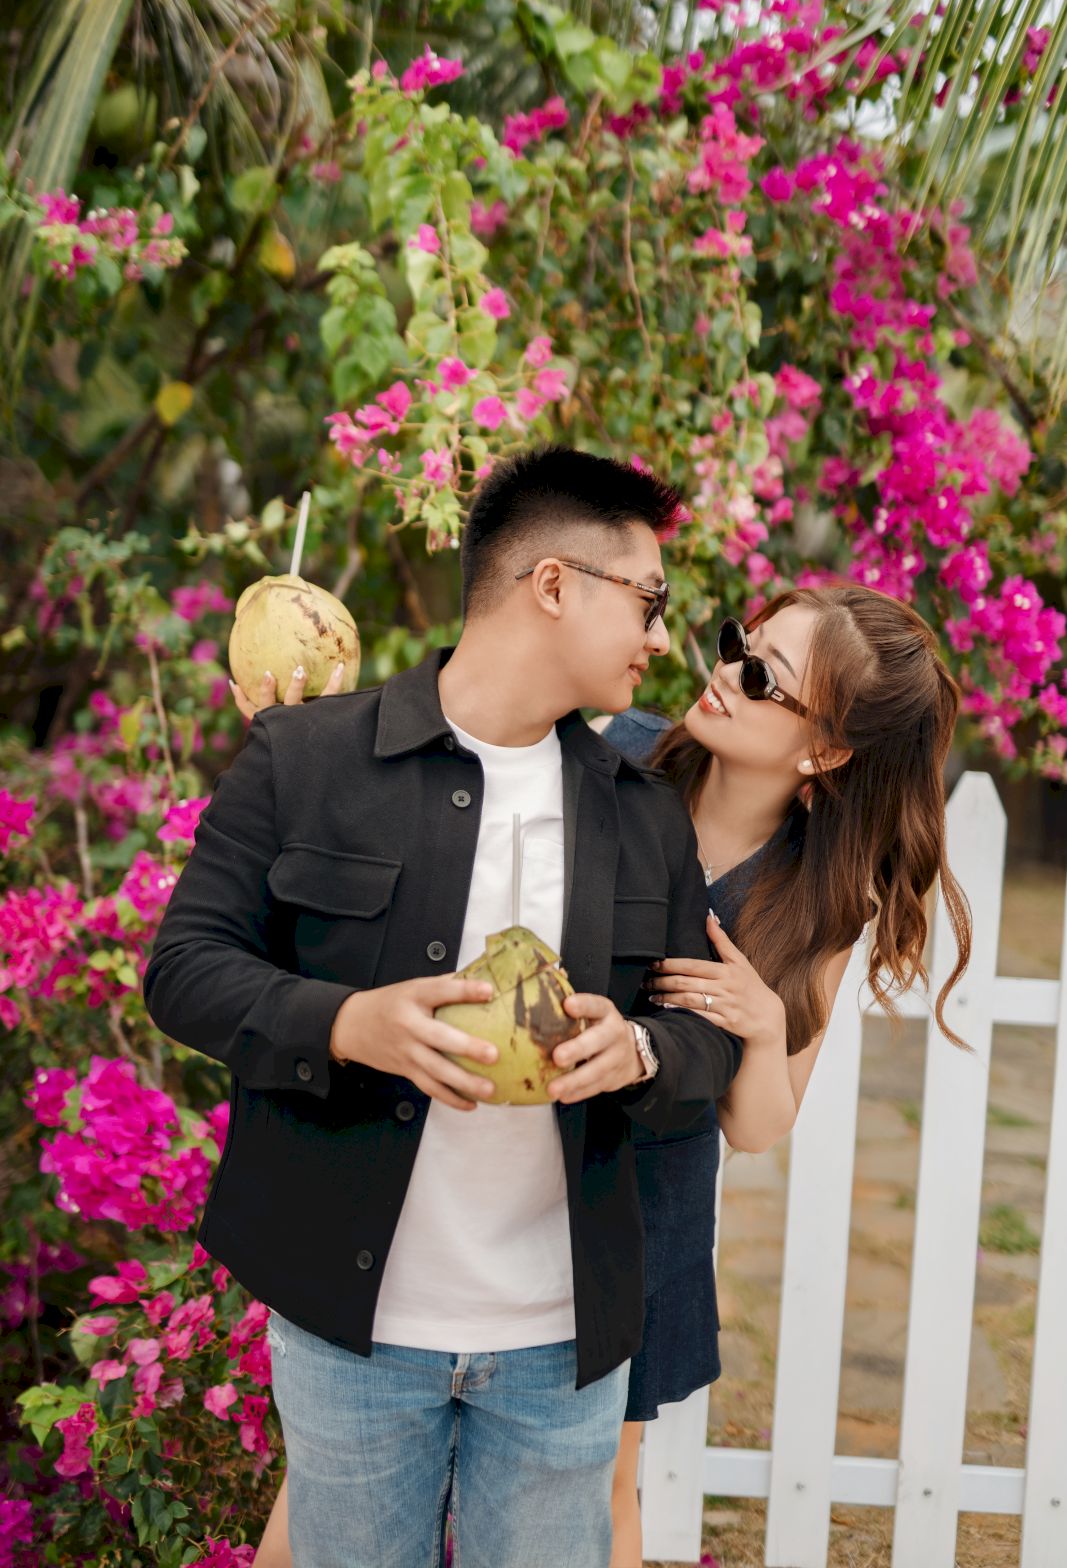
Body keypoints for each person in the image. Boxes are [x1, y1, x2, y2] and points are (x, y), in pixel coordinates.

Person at [143, 446, 744, 1568]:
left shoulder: (645, 814)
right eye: (648, 601)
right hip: (351, 1332)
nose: (660, 639)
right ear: (553, 585)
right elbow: (184, 967)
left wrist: (640, 1051)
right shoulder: (303, 759)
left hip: (561, 1343)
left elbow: (704, 1035)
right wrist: (345, 1024)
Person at [599, 584, 972, 1566]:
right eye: (739, 645)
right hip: (513, 1155)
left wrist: (764, 1028)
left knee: (603, 1486)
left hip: (644, 1206)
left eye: (763, 678)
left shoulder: (814, 900)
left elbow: (758, 1127)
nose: (727, 672)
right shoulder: (613, 752)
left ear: (824, 752)